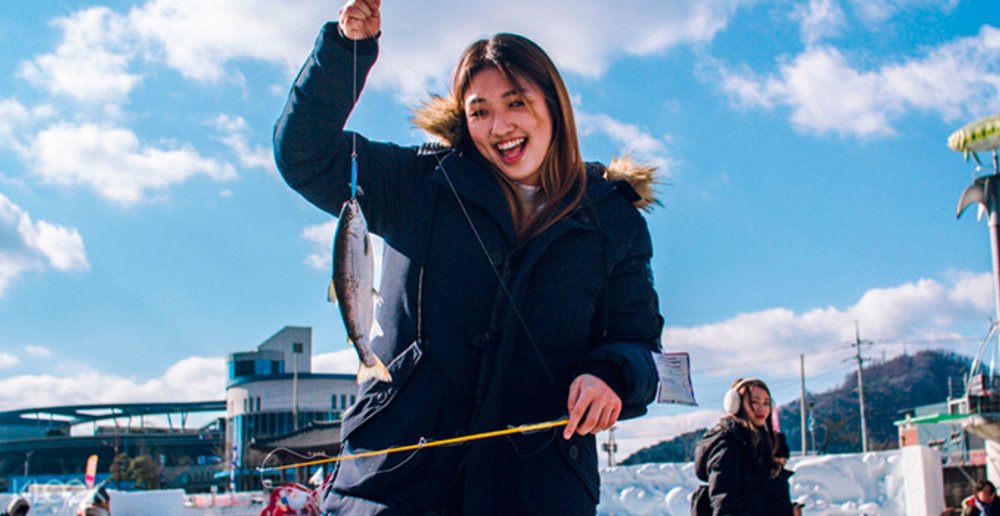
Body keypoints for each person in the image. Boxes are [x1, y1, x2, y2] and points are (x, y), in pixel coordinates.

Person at [274, 0, 663, 513]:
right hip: (395, 487)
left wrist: (612, 376)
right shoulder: (419, 184)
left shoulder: (612, 220)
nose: (499, 125)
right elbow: (305, 154)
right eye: (480, 111)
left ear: (553, 105)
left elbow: (638, 343)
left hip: (536, 491)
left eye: (516, 102)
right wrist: (347, 48)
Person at [692, 378, 791, 515]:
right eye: (754, 402)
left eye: (766, 403)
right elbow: (725, 506)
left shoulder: (761, 444)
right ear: (735, 404)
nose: (761, 408)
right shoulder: (727, 445)